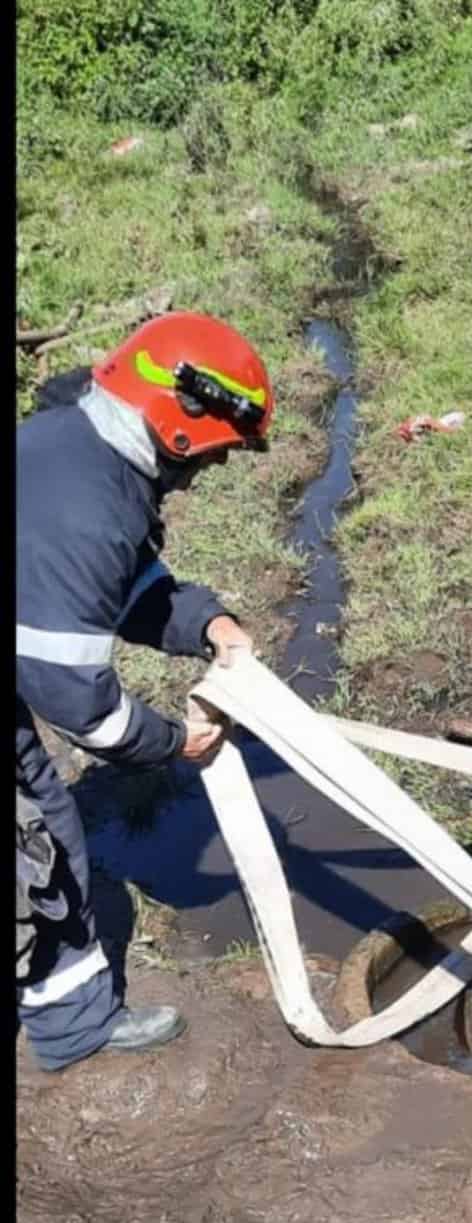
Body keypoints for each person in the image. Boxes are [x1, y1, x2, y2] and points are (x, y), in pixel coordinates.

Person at [17, 312, 274, 1072]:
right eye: (220, 452)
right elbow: (80, 703)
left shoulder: (78, 447)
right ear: (184, 417)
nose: (214, 470)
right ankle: (74, 1027)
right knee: (40, 841)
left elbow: (116, 579)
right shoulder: (93, 508)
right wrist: (172, 742)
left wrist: (207, 622)